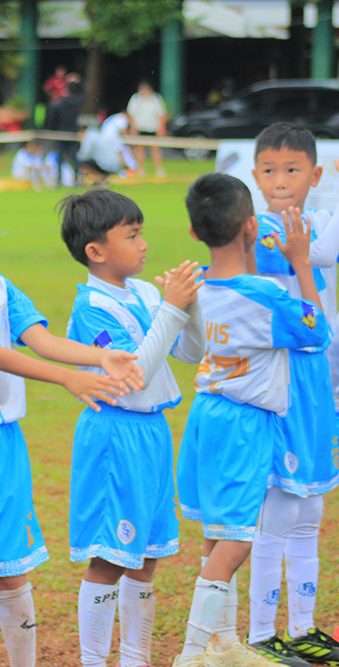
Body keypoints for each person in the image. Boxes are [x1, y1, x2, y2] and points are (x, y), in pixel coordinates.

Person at [0, 178, 144, 667]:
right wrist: (67, 380)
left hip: (6, 443)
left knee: (11, 568)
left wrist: (101, 359)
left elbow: (40, 338)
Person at [172, 173, 330, 667]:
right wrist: (301, 262)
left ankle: (223, 643)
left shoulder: (191, 284)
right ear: (250, 227)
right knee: (237, 539)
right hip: (244, 425)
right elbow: (317, 332)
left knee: (218, 532)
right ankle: (194, 653)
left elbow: (185, 347)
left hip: (205, 415)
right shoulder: (268, 295)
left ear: (195, 232)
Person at [59, 190, 205, 667]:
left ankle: (136, 658)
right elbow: (131, 376)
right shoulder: (91, 309)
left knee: (146, 555)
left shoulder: (143, 293)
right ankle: (95, 660)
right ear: (96, 251)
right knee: (109, 557)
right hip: (114, 434)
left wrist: (189, 307)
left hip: (153, 434)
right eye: (132, 234)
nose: (144, 244)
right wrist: (172, 308)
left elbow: (190, 353)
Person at [246, 122, 339, 665]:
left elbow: (320, 261)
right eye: (269, 170)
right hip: (276, 384)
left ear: (316, 175)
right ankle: (262, 635)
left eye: (293, 170)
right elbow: (312, 256)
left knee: (311, 510)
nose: (280, 181)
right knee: (277, 512)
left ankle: (302, 626)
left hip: (317, 388)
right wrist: (299, 248)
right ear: (254, 175)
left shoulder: (319, 224)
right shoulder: (252, 230)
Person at [45, 75, 85, 189]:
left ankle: (59, 181)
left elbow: (51, 120)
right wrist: (78, 82)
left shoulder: (57, 104)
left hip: (60, 134)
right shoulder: (75, 103)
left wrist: (51, 130)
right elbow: (84, 93)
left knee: (60, 157)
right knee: (74, 157)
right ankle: (78, 180)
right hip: (72, 133)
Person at [126, 81, 168, 177]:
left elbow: (161, 114)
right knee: (140, 148)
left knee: (155, 148)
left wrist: (161, 128)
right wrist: (133, 128)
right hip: (140, 127)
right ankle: (141, 169)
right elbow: (131, 115)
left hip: (153, 127)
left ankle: (158, 169)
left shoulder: (156, 98)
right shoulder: (136, 99)